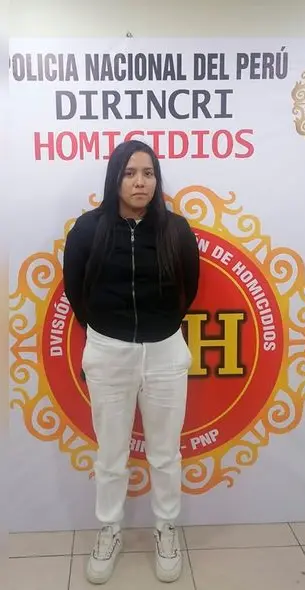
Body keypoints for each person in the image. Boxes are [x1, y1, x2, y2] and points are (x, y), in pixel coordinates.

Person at [63, 140, 200, 584]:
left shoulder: (176, 230)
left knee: (164, 453)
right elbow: (75, 290)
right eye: (129, 172)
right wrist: (106, 331)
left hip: (164, 350)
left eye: (148, 173)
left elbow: (189, 288)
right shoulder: (87, 229)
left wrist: (159, 329)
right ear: (115, 178)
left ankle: (165, 528)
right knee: (111, 452)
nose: (140, 181)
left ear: (157, 180)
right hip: (107, 350)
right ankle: (109, 529)